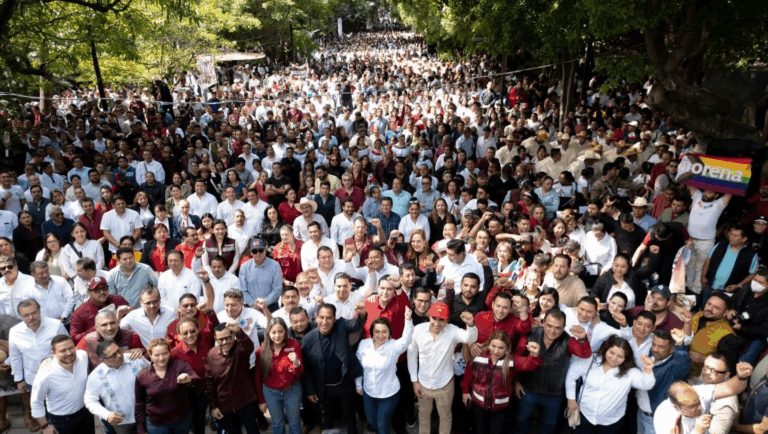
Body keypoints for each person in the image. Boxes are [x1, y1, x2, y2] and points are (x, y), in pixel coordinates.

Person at [407, 302, 478, 434]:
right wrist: (414, 381)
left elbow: (470, 338)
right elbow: (411, 355)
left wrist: (471, 325)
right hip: (423, 384)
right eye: (434, 318)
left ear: (447, 320)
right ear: (429, 315)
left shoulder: (452, 330)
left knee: (445, 417)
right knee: (423, 415)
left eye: (442, 320)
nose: (437, 323)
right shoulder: (417, 330)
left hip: (445, 385)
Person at [565, 335, 656, 434]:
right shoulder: (591, 360)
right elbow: (571, 376)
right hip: (585, 416)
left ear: (626, 358)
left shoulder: (630, 373)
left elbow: (647, 385)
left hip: (611, 422)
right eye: (611, 352)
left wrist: (648, 370)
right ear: (606, 349)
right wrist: (571, 399)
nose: (614, 358)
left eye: (620, 356)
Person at [301, 303, 367, 434]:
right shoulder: (308, 339)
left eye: (329, 318)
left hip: (344, 383)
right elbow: (306, 368)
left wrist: (362, 313)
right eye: (322, 317)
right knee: (327, 417)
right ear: (316, 318)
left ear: (335, 318)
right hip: (323, 386)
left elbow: (356, 324)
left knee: (349, 413)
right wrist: (310, 390)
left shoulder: (341, 326)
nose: (325, 322)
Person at [462, 330, 541, 434]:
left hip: (501, 407)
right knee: (480, 430)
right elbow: (468, 375)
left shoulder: (512, 360)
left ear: (507, 349)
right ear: (489, 344)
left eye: (500, 348)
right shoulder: (479, 356)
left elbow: (528, 364)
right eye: (493, 346)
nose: (495, 351)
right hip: (479, 403)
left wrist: (534, 355)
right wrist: (465, 391)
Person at [9, 299, 68, 431]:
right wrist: (19, 379)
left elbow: (68, 347)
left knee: (60, 407)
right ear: (20, 316)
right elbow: (15, 357)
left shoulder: (56, 325)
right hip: (33, 379)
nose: (31, 317)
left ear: (39, 311)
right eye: (26, 315)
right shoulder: (15, 331)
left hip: (57, 376)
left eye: (34, 313)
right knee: (41, 408)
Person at [356, 308, 414, 434]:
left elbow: (406, 340)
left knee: (382, 427)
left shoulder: (394, 346)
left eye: (384, 332)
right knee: (372, 422)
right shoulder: (363, 345)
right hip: (368, 393)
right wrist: (358, 385)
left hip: (389, 394)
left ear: (389, 333)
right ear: (371, 332)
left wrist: (408, 320)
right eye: (377, 332)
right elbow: (358, 367)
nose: (380, 335)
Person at [654, 362, 753, 434]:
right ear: (676, 407)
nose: (699, 408)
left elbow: (730, 388)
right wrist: (698, 431)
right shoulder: (665, 420)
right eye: (692, 407)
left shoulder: (698, 392)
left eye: (698, 402)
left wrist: (741, 377)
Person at [30, 335, 95, 434]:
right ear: (53, 353)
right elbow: (36, 402)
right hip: (62, 421)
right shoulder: (45, 375)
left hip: (86, 413)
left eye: (70, 348)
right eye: (63, 351)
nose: (68, 353)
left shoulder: (82, 356)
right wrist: (45, 426)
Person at [135, 338, 201, 434]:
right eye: (157, 355)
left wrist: (189, 379)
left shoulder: (180, 365)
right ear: (150, 355)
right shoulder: (142, 376)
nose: (161, 358)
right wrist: (141, 428)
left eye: (164, 353)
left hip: (181, 420)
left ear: (170, 352)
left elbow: (197, 379)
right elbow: (140, 403)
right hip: (156, 424)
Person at [205, 321, 260, 434]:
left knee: (252, 430)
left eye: (228, 338)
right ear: (215, 338)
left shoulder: (241, 349)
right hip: (225, 405)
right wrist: (213, 407)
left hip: (246, 401)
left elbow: (249, 346)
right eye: (220, 339)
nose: (225, 342)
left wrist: (239, 331)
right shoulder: (211, 355)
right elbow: (210, 383)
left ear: (233, 336)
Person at [85, 340, 151, 434]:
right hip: (122, 423)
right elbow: (90, 400)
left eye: (119, 351)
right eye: (113, 355)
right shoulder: (95, 377)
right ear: (102, 360)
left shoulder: (135, 359)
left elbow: (153, 372)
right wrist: (106, 415)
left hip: (147, 415)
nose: (119, 355)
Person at [635, 329, 691, 434]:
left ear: (672, 349)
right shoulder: (651, 356)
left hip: (657, 420)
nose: (655, 349)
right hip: (641, 414)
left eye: (661, 347)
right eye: (654, 344)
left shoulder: (675, 366)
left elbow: (683, 365)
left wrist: (680, 344)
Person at [255, 318, 304, 434]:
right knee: (277, 423)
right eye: (273, 332)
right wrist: (261, 400)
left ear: (285, 332)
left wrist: (296, 364)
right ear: (268, 333)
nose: (277, 335)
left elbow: (299, 373)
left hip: (292, 390)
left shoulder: (294, 345)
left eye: (280, 331)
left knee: (294, 422)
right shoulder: (261, 351)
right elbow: (258, 377)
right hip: (271, 392)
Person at [701, 224, 758, 303]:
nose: (731, 237)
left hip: (727, 291)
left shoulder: (751, 254)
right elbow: (708, 259)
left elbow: (752, 274)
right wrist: (703, 276)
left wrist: (739, 285)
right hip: (710, 285)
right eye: (731, 234)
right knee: (704, 306)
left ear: (744, 239)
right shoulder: (721, 244)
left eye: (735, 235)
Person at [724, 266, 768, 363]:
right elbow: (734, 300)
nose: (756, 284)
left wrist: (742, 328)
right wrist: (731, 309)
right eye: (755, 280)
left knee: (742, 362)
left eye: (761, 283)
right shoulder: (746, 289)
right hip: (735, 327)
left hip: (754, 337)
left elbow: (765, 329)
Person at [76, 309, 144, 370]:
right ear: (96, 327)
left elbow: (145, 360)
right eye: (104, 325)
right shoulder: (87, 340)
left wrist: (140, 351)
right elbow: (75, 357)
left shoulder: (131, 336)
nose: (109, 328)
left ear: (118, 323)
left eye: (112, 323)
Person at [689, 353, 739, 434]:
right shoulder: (710, 378)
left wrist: (698, 428)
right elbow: (695, 384)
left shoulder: (727, 403)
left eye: (714, 370)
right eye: (705, 367)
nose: (707, 372)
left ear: (726, 375)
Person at [238, 237, 283, 310]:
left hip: (271, 307)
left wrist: (264, 304)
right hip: (251, 308)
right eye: (255, 251)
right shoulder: (244, 267)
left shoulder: (275, 266)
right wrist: (253, 304)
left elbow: (277, 289)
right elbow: (243, 290)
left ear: (265, 250)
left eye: (261, 250)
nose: (258, 253)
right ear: (251, 252)